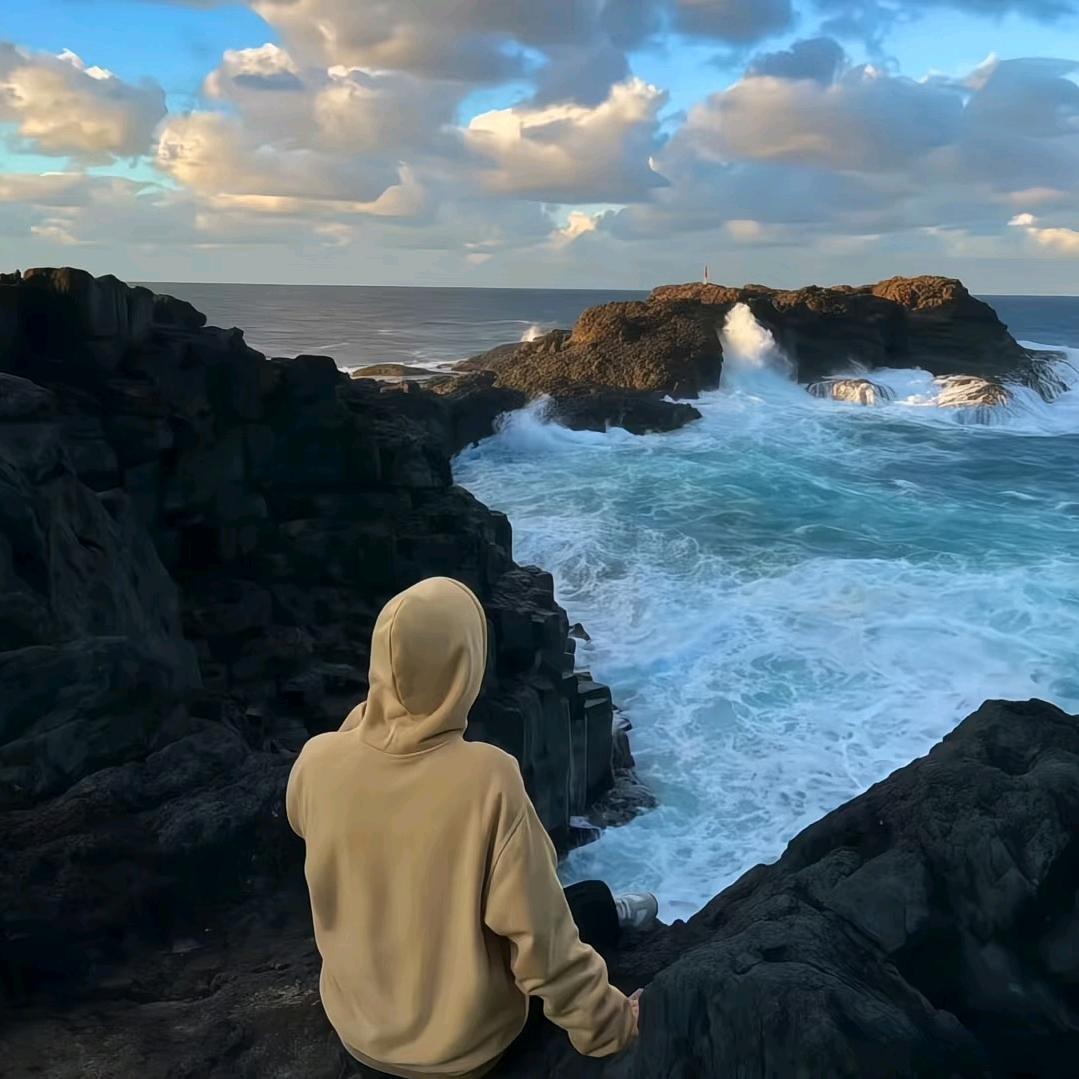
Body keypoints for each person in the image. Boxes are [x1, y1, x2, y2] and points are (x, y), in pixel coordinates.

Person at [286, 576, 658, 1079]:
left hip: (357, 1028)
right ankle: (613, 913)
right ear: (466, 665)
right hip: (458, 1052)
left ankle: (609, 911)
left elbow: (314, 818)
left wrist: (373, 720)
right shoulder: (487, 779)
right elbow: (543, 948)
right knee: (577, 904)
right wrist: (616, 1027)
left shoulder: (318, 759)